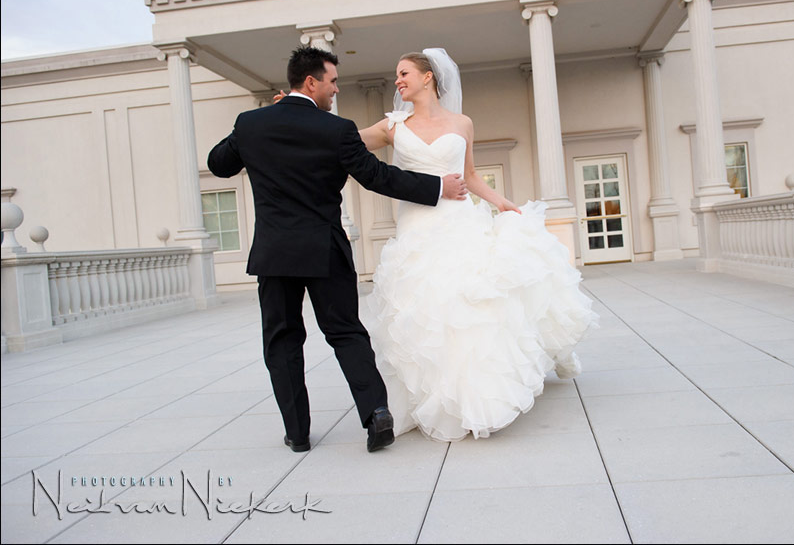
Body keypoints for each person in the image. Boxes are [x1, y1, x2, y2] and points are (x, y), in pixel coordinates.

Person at [207, 46, 469, 453]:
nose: (335, 89)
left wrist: (250, 127)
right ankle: (376, 413)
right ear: (310, 82)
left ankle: (297, 433)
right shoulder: (335, 128)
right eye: (331, 82)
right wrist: (437, 187)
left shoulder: (251, 124)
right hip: (324, 249)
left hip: (274, 253)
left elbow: (219, 164)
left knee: (282, 341)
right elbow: (377, 176)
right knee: (346, 333)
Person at [360, 49, 596, 441]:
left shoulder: (462, 123)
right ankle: (430, 395)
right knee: (425, 306)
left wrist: (500, 202)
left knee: (466, 304)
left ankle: (472, 396)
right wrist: (303, 121)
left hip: (459, 221)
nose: (397, 81)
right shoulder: (392, 126)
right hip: (417, 226)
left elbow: (468, 174)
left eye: (404, 73)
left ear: (427, 78)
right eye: (397, 75)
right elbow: (345, 144)